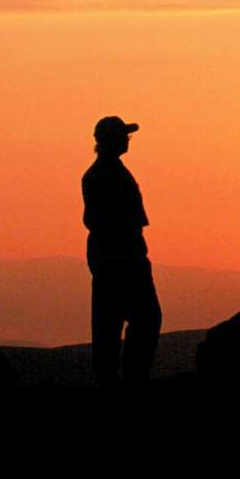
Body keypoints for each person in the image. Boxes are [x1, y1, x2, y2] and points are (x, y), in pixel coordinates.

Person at [81, 115, 162, 386]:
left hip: (115, 258)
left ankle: (118, 381)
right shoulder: (103, 175)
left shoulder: (104, 173)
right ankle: (130, 382)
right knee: (141, 319)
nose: (127, 140)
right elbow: (104, 221)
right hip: (122, 259)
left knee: (112, 322)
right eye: (123, 135)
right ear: (109, 140)